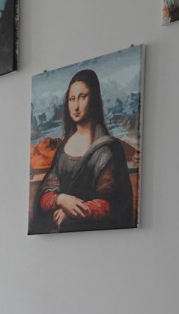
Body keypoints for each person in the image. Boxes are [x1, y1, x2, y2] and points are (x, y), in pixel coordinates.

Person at [31, 69, 135, 234]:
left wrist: (72, 213)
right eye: (72, 99)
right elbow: (46, 193)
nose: (76, 106)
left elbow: (111, 204)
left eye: (82, 97)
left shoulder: (107, 148)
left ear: (93, 99)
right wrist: (61, 199)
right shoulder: (63, 148)